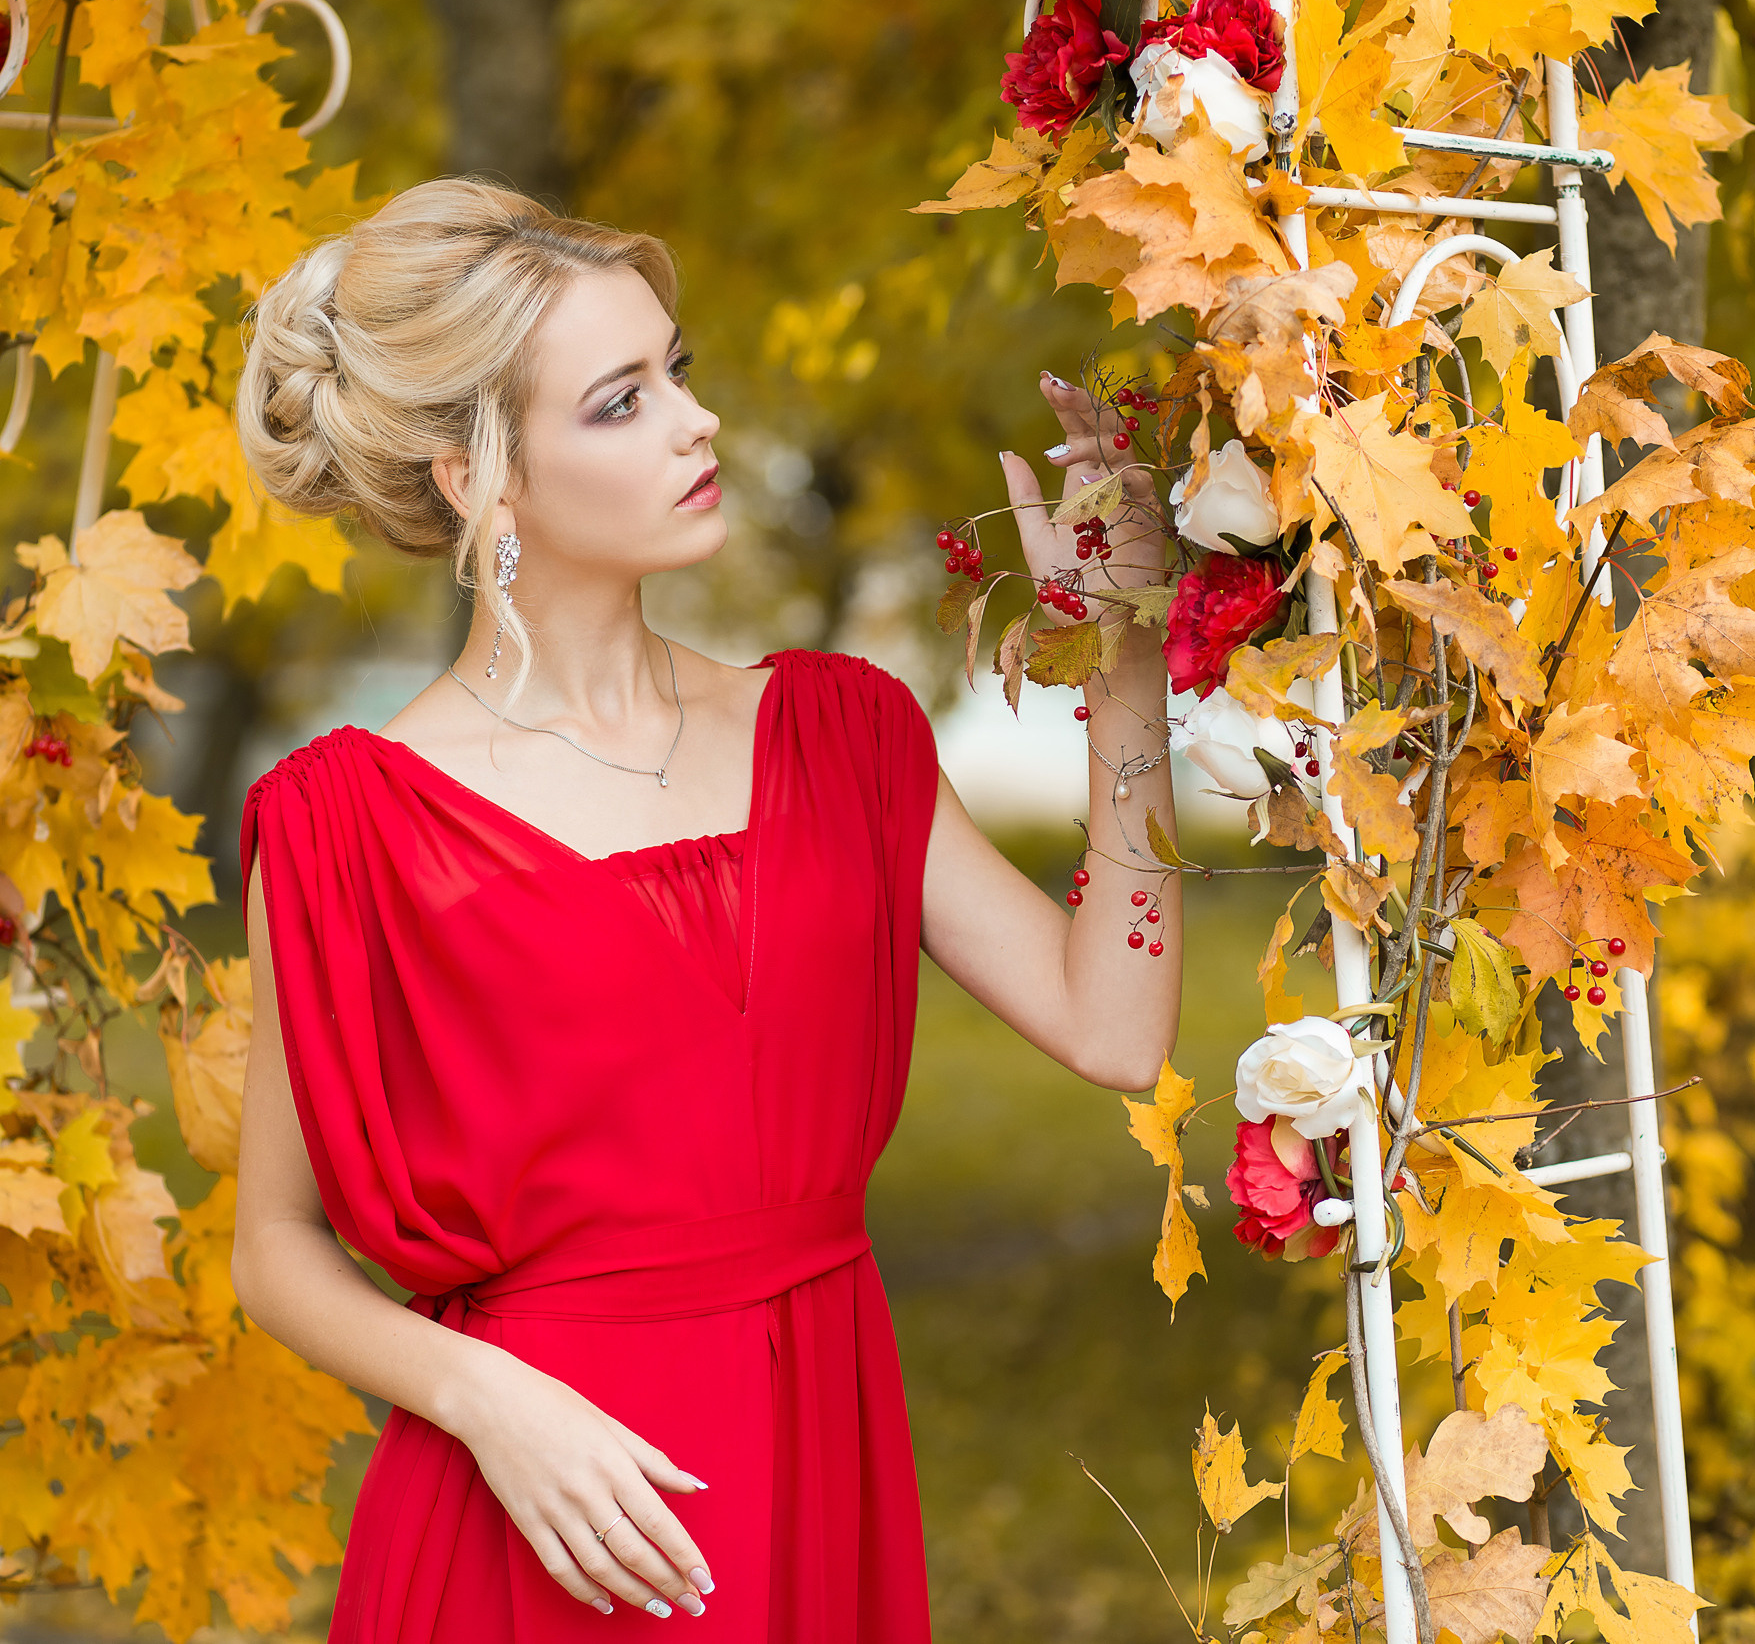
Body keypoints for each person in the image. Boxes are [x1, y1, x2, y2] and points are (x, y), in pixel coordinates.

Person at [227, 176, 1182, 1642]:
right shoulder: (344, 823)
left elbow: (1114, 1030)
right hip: (540, 1516)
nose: (695, 423)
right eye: (618, 402)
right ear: (470, 475)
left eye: (675, 373)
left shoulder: (843, 734)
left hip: (819, 1469)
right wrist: (488, 1404)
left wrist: (1125, 668)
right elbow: (275, 1250)